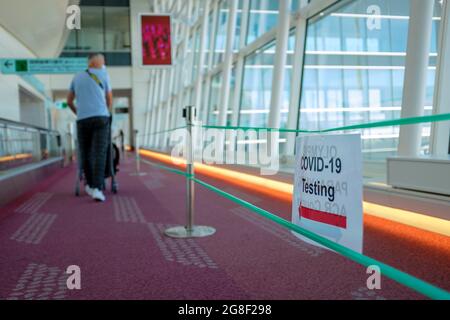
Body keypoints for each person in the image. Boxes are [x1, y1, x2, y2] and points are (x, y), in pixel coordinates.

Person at [67, 53, 113, 202]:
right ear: (95, 62)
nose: (103, 64)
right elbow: (109, 98)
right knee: (99, 153)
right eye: (102, 62)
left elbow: (69, 101)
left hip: (82, 120)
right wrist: (104, 111)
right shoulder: (104, 74)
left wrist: (79, 113)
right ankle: (97, 189)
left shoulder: (76, 77)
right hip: (101, 118)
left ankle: (89, 184)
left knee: (85, 152)